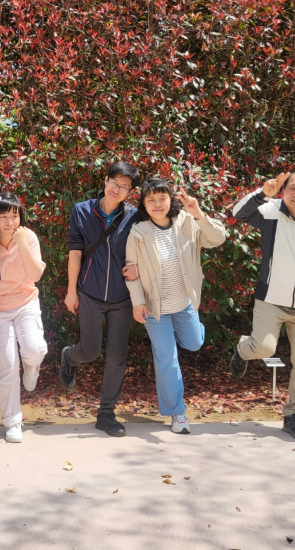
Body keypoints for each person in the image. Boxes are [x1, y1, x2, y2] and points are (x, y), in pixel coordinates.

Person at [229, 172, 295, 441]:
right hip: (270, 300)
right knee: (264, 348)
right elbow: (238, 213)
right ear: (284, 190)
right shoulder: (270, 210)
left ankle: (294, 414)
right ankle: (243, 350)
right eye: (292, 188)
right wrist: (263, 193)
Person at [124, 178, 226, 434]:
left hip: (183, 304)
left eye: (162, 198)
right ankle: (177, 413)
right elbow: (131, 272)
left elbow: (218, 238)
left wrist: (198, 213)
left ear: (171, 200)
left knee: (194, 343)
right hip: (155, 310)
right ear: (143, 204)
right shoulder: (138, 232)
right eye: (151, 200)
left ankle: (191, 331)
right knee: (167, 360)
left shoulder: (187, 222)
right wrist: (138, 302)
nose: (157, 204)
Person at [59, 161, 140, 437]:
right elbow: (75, 252)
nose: (117, 189)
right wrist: (71, 291)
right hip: (89, 293)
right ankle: (69, 356)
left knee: (117, 357)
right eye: (114, 182)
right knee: (90, 350)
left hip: (122, 298)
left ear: (130, 192)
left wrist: (139, 269)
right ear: (105, 181)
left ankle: (106, 414)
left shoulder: (134, 217)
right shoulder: (82, 211)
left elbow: (145, 250)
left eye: (124, 186)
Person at [0, 192, 47, 443]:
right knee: (6, 363)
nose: (10, 222)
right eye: (4, 217)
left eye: (15, 216)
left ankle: (32, 368)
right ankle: (12, 420)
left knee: (35, 349)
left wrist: (21, 243)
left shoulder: (28, 236)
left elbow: (35, 275)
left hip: (25, 303)